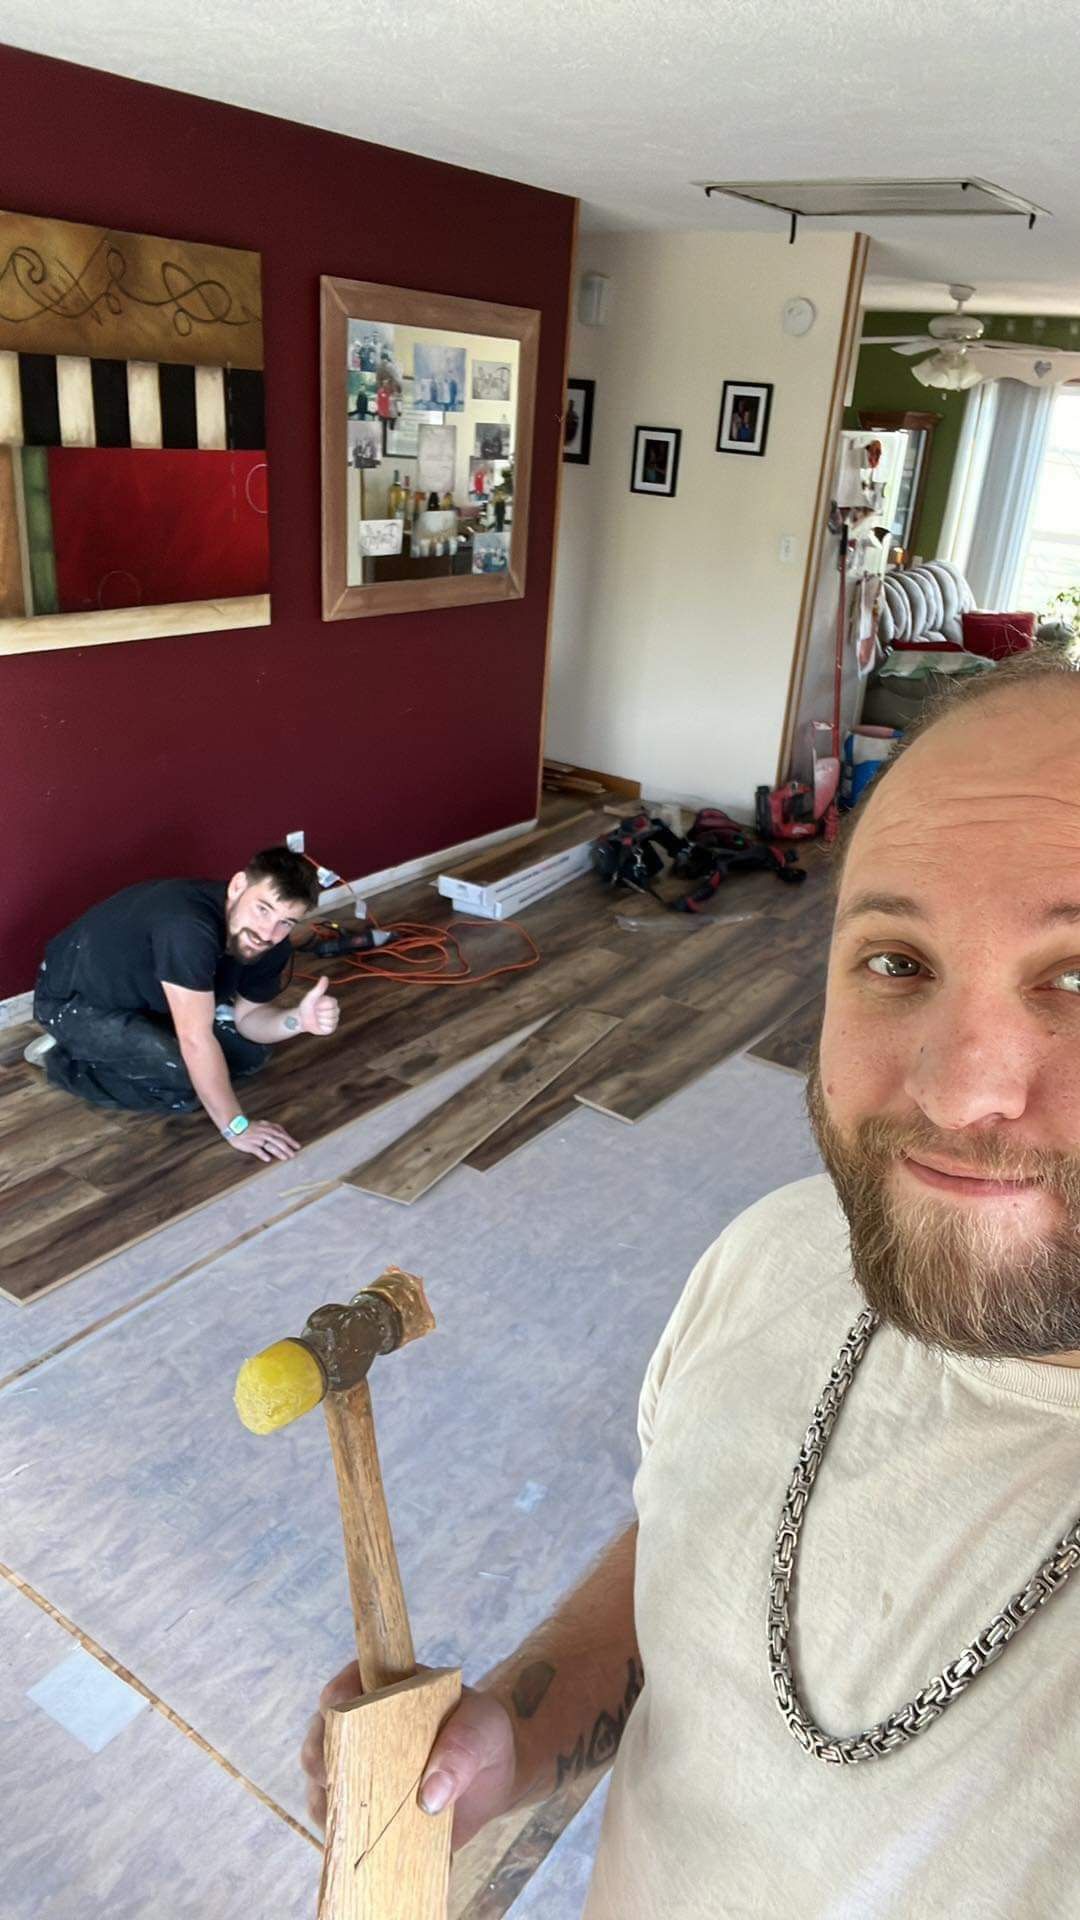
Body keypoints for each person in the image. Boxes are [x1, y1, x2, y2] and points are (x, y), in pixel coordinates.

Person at [303, 650, 1080, 1913]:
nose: (954, 1091)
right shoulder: (779, 1254)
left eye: (1076, 976)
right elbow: (696, 1536)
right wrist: (512, 1745)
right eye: (896, 961)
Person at [30, 846, 339, 1163]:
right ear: (237, 887)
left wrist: (297, 1021)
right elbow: (195, 1039)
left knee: (250, 1054)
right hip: (77, 1000)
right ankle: (62, 1055)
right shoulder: (187, 927)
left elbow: (251, 1018)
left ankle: (146, 1041)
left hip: (151, 1001)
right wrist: (237, 1127)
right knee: (181, 1083)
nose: (268, 933)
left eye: (286, 922)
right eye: (262, 909)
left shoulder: (272, 945)